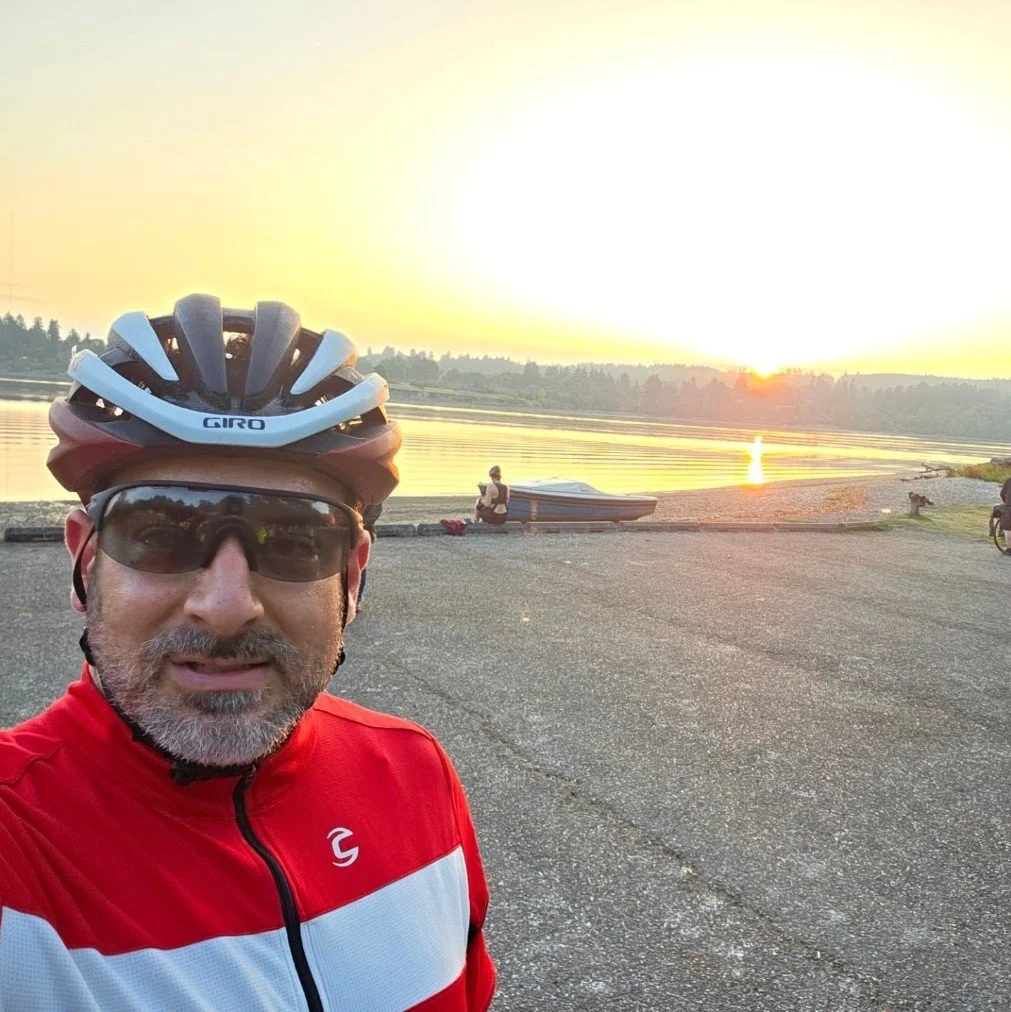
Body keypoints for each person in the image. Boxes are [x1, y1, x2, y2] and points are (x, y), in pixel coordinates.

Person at [0, 295, 495, 1009]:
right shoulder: (18, 843)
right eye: (161, 531)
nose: (226, 606)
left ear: (352, 576)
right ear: (84, 562)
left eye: (294, 542)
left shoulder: (416, 775)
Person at [355, 502, 383, 612]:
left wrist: (360, 524)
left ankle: (356, 601)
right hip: (345, 533)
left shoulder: (372, 494)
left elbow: (376, 509)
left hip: (361, 534)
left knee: (360, 567)